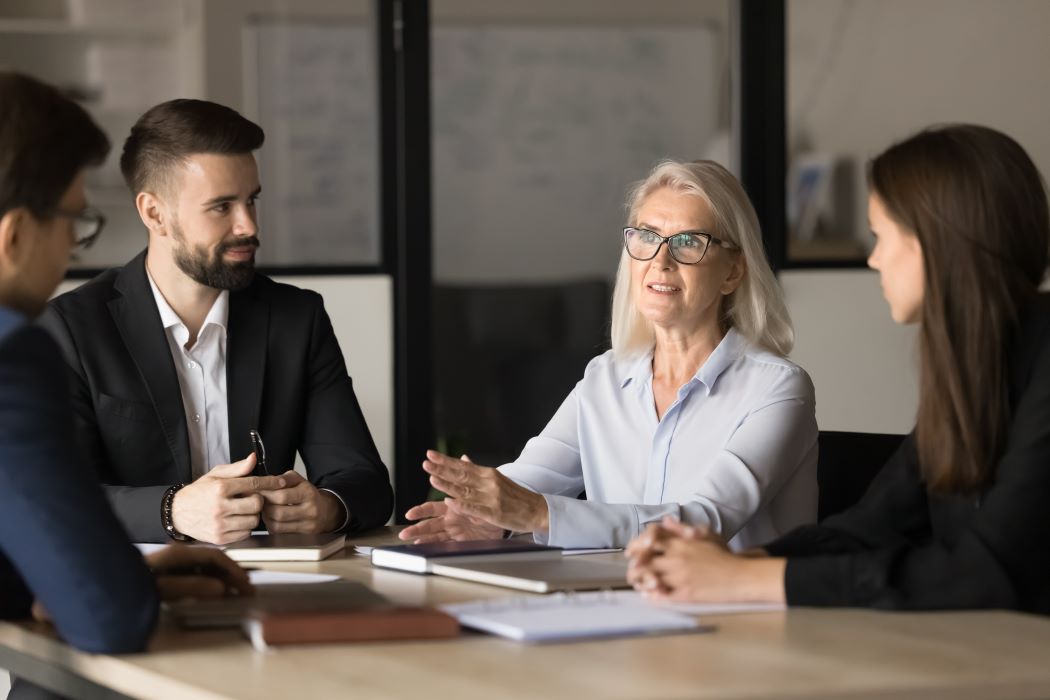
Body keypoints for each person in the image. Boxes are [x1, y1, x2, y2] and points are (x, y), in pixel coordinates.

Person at [626, 124, 1050, 614]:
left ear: (934, 242)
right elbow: (872, 527)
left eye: (881, 235)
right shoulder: (977, 362)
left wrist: (747, 576)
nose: (874, 260)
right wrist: (726, 562)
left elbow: (989, 572)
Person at [401, 160, 818, 549]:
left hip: (741, 619)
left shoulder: (777, 388)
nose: (661, 260)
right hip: (616, 603)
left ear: (732, 271)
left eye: (689, 242)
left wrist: (533, 512)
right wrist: (485, 513)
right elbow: (530, 482)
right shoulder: (604, 378)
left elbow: (703, 522)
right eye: (648, 236)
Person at [40, 99, 393, 545]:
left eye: (252, 200)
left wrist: (327, 507)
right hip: (140, 583)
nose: (247, 225)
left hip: (275, 582)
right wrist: (172, 511)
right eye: (222, 206)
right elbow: (57, 499)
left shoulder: (296, 319)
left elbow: (366, 482)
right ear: (154, 213)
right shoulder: (71, 328)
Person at [0, 72, 251, 699]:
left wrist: (123, 571)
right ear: (14, 236)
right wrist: (118, 581)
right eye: (72, 223)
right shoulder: (11, 355)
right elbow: (109, 618)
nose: (70, 249)